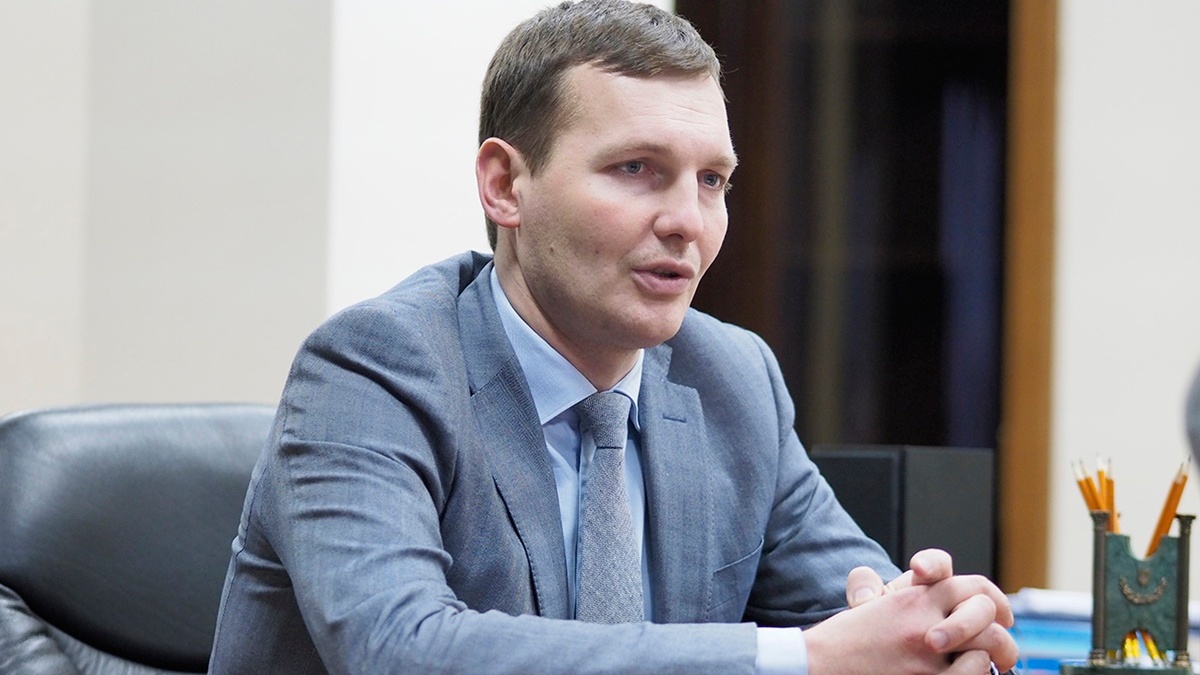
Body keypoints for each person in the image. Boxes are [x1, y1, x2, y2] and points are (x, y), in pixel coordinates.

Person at [208, 1, 1019, 673]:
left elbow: (859, 610)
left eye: (712, 180)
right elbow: (401, 650)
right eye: (636, 168)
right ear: (505, 184)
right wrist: (798, 657)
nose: (687, 221)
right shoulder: (373, 369)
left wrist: (938, 632)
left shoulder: (733, 379)